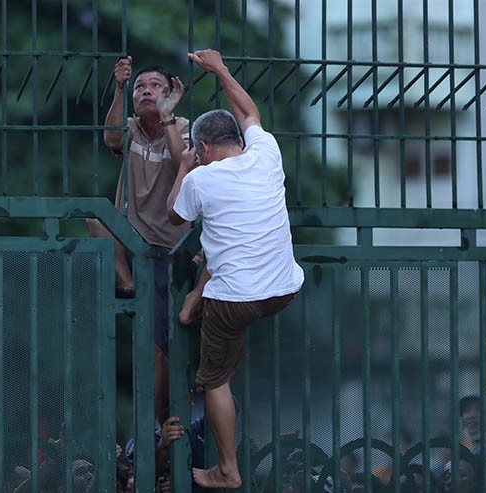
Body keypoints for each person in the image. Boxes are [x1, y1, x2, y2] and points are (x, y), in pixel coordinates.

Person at [167, 49, 305, 489]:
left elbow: (174, 218)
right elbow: (249, 110)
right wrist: (221, 70)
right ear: (240, 142)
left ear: (203, 148)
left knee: (214, 380)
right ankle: (199, 307)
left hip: (235, 300)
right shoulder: (265, 154)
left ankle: (226, 470)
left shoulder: (200, 177)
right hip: (283, 289)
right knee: (219, 248)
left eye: (199, 153)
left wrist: (184, 167)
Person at [89, 56, 190, 425]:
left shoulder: (180, 125)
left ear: (170, 94)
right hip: (132, 242)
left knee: (162, 342)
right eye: (139, 87)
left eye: (155, 86)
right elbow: (111, 138)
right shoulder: (128, 127)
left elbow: (186, 165)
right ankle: (127, 282)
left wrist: (166, 118)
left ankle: (159, 420)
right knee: (95, 216)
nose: (146, 91)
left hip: (170, 248)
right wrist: (117, 86)